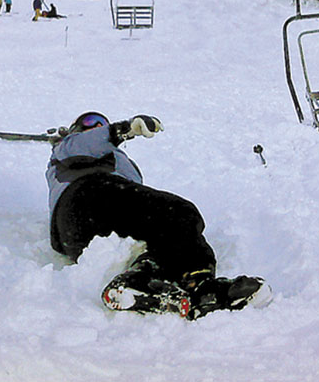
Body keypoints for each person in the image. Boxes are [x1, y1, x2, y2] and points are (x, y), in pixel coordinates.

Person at [46, 112, 271, 320]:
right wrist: (121, 129)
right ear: (74, 130)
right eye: (89, 122)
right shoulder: (66, 148)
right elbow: (87, 144)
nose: (95, 126)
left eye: (101, 124)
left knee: (169, 232)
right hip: (83, 200)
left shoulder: (115, 158)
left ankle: (183, 286)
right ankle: (194, 282)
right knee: (180, 213)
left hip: (83, 233)